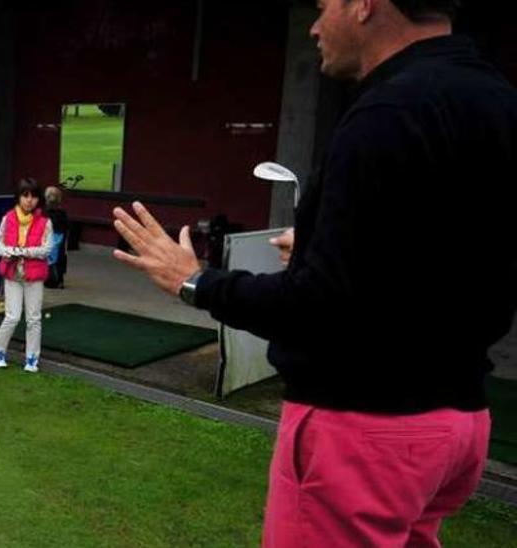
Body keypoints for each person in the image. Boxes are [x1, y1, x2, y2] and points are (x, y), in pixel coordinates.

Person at [110, 1, 517, 545]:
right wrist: (335, 246)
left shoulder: (386, 113)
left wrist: (195, 281)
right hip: (458, 427)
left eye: (324, 6)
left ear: (365, 4)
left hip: (363, 431)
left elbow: (318, 309)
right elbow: (461, 246)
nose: (315, 26)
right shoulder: (496, 98)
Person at [0, 178, 52, 372]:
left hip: (34, 276)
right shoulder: (8, 218)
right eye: (25, 195)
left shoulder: (45, 222)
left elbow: (47, 248)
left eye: (33, 196)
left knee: (33, 318)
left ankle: (32, 357)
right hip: (12, 274)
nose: (29, 200)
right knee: (12, 316)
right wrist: (7, 251)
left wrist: (25, 252)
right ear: (18, 197)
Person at [43, 185, 69, 289]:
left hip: (48, 239)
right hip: (60, 239)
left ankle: (49, 279)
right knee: (60, 258)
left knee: (48, 258)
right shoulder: (62, 213)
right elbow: (67, 226)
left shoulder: (44, 213)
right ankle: (60, 280)